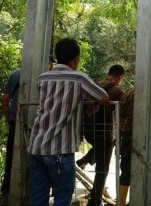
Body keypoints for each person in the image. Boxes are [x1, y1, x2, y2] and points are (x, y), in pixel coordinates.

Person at [27, 37, 109, 206]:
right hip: (60, 149)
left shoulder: (43, 78)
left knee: (38, 197)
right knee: (63, 196)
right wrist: (91, 103)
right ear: (76, 59)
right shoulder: (79, 78)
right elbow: (104, 96)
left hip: (36, 146)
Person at [76, 64, 126, 206]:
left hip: (88, 130)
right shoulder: (118, 90)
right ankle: (95, 201)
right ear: (120, 77)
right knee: (103, 169)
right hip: (105, 133)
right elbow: (121, 111)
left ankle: (85, 160)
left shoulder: (95, 85)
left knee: (100, 148)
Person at [117, 88, 151, 206]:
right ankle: (144, 200)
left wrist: (119, 135)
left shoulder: (127, 94)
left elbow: (120, 119)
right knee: (149, 168)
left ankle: (121, 203)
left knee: (126, 171)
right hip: (148, 136)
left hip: (127, 135)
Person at [0, 69, 20, 204]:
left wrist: (8, 118)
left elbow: (5, 98)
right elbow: (6, 99)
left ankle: (6, 197)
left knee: (11, 159)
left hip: (14, 121)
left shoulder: (16, 74)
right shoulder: (46, 76)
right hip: (35, 124)